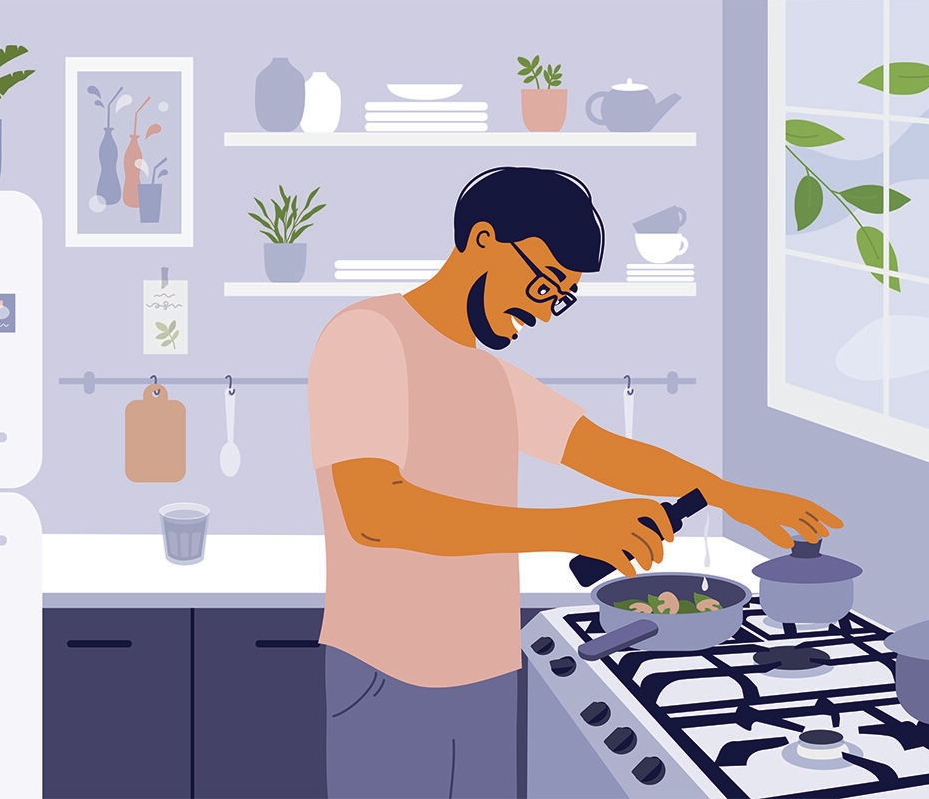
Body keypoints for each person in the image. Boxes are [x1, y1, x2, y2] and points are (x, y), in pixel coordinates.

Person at [307, 166, 842, 798]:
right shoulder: (369, 337)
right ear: (483, 241)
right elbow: (375, 514)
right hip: (385, 675)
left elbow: (601, 451)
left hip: (487, 670)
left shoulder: (490, 379)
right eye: (541, 284)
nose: (543, 310)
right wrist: (574, 525)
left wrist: (731, 495)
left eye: (559, 297)